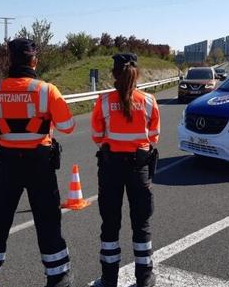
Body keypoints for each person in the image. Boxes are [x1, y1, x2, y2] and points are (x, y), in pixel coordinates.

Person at [0, 38, 75, 287]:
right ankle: (57, 277)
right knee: (47, 220)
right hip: (40, 163)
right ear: (34, 61)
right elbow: (68, 127)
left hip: (6, 165)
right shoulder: (47, 90)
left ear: (11, 60)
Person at [90, 53, 161, 287]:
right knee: (141, 224)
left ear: (114, 74)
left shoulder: (102, 102)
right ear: (137, 73)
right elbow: (153, 137)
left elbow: (97, 136)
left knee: (110, 224)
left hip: (110, 168)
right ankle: (144, 278)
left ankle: (109, 280)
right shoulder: (149, 100)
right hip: (139, 167)